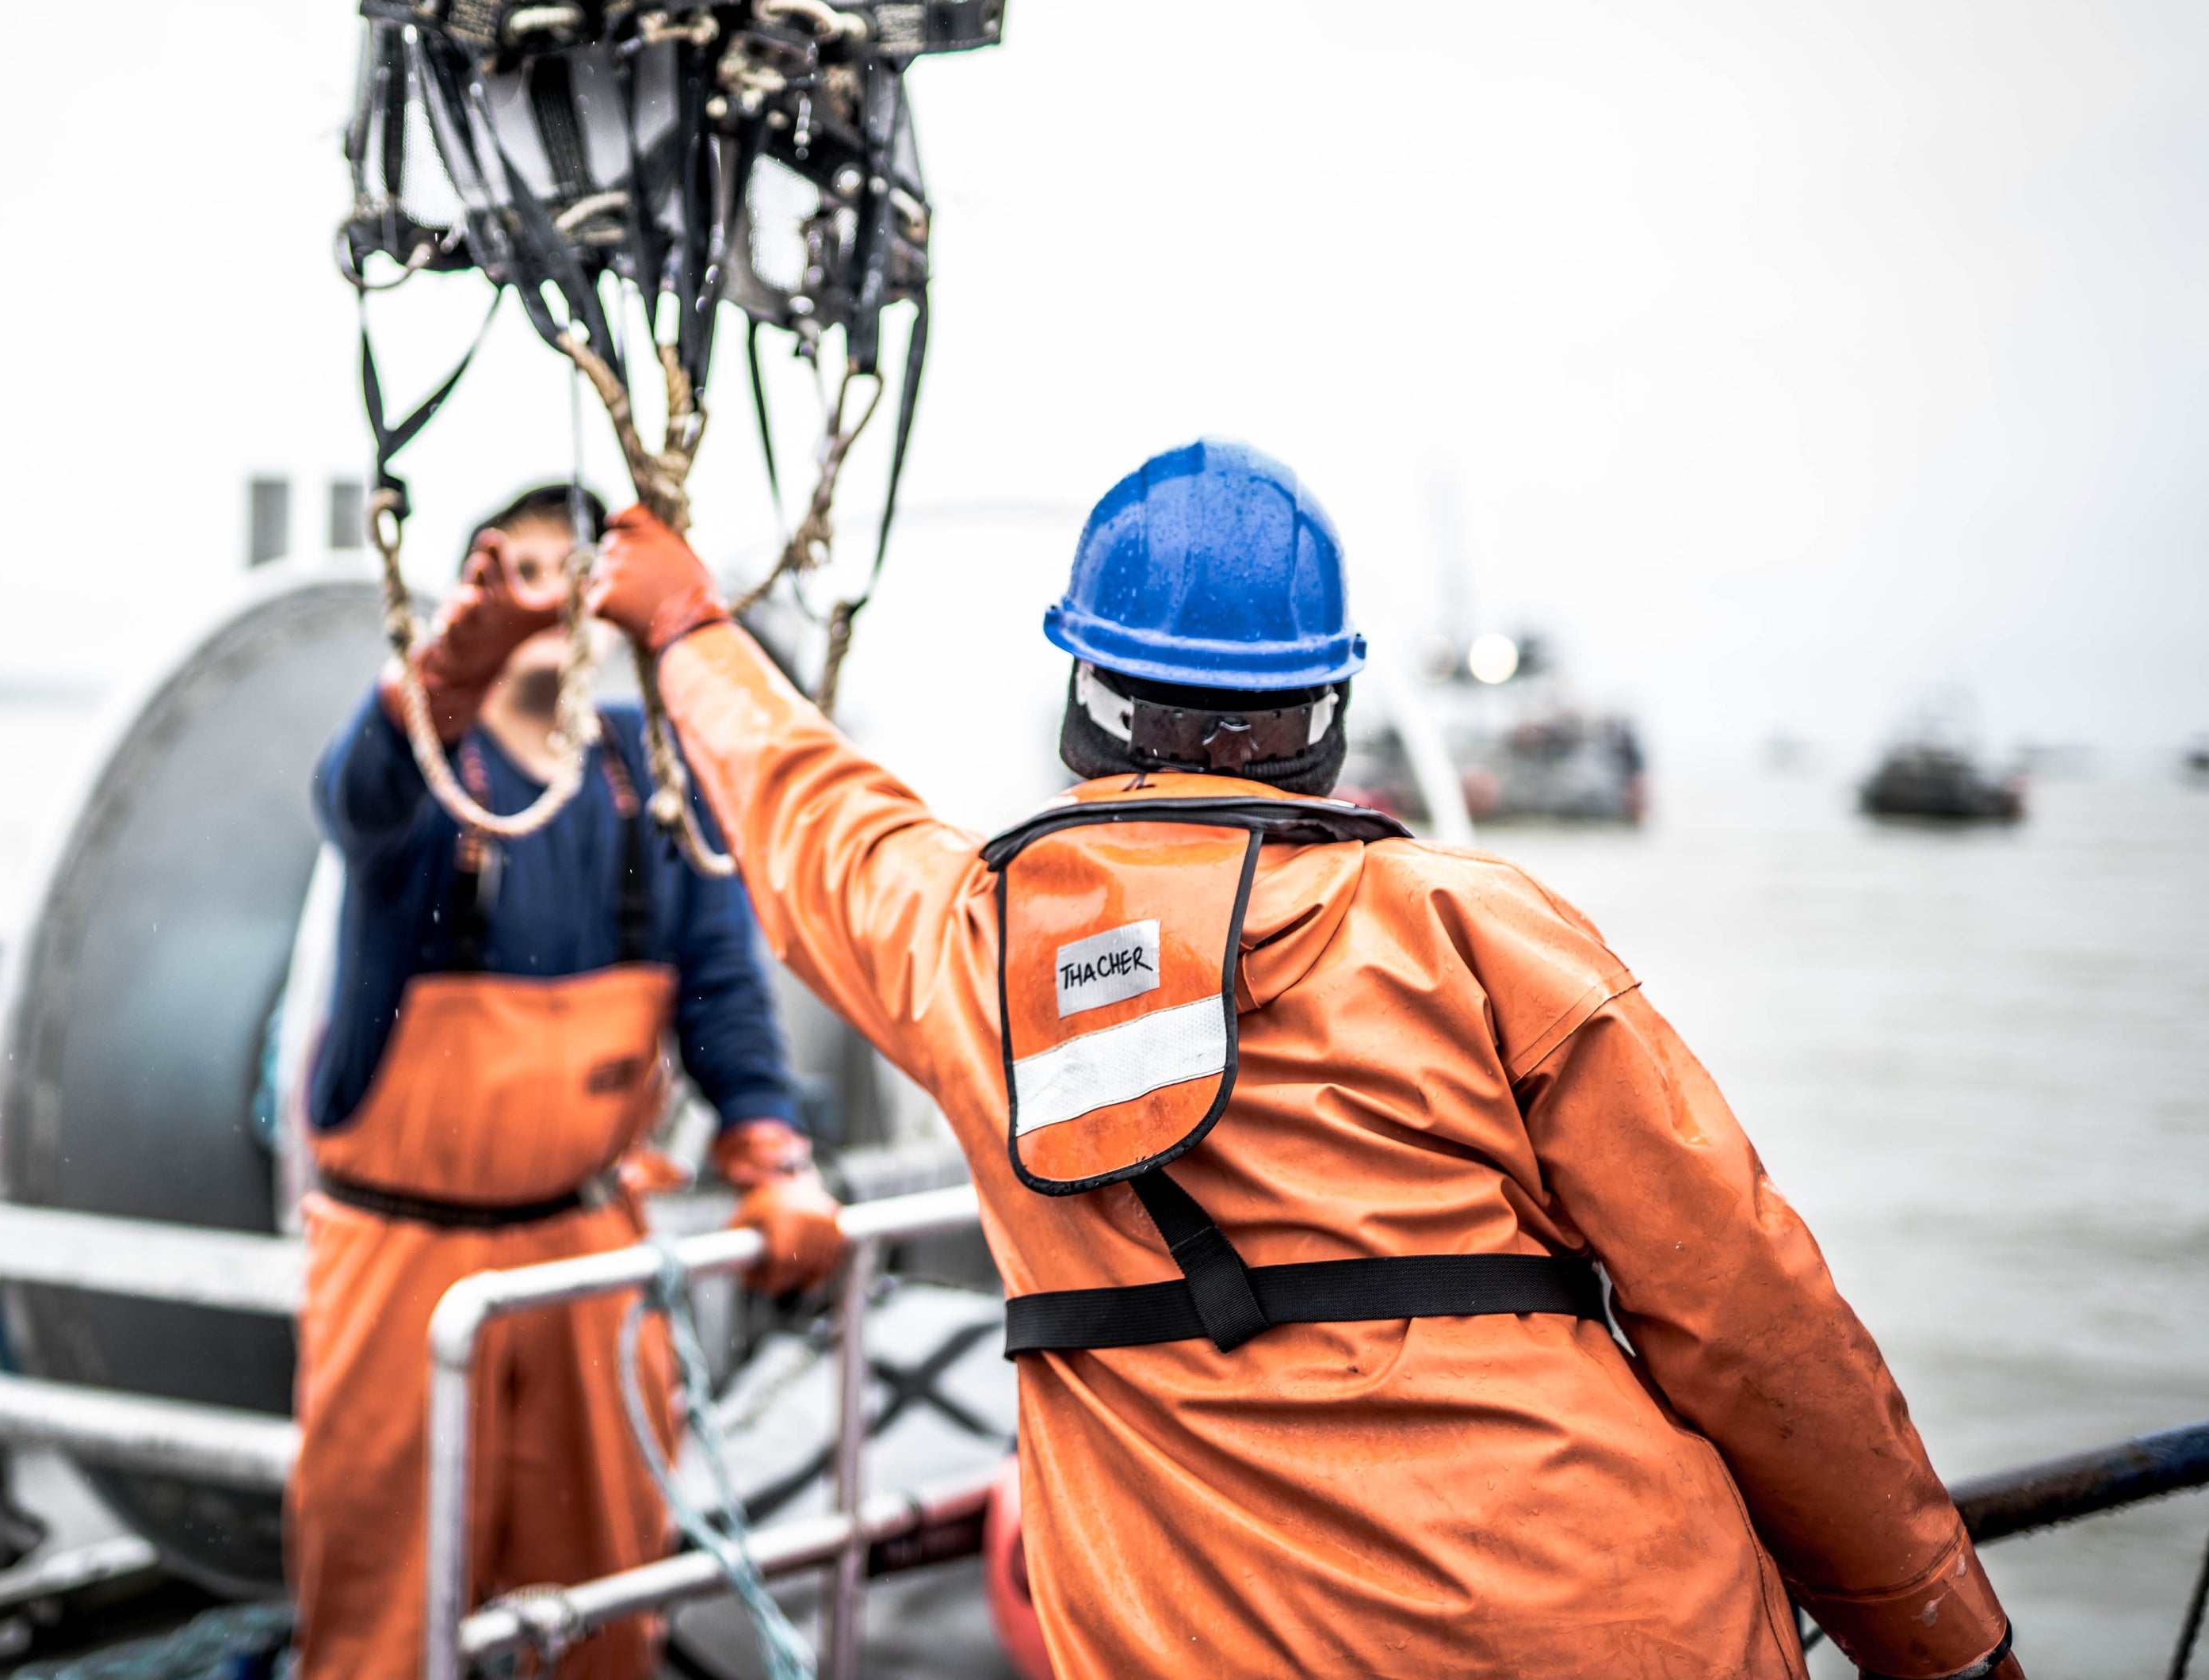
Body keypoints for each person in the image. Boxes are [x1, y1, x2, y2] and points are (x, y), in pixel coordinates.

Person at [585, 438, 2019, 1680]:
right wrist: (1941, 1636)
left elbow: (805, 807)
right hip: (1626, 1622)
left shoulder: (969, 951)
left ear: (1085, 701)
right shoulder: (1474, 927)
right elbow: (1759, 1324)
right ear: (1324, 718)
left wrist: (687, 624)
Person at [292, 483, 843, 1680]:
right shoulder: (424, 782)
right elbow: (354, 797)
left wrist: (770, 1150)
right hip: (405, 1270)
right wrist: (441, 674)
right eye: (521, 572)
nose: (550, 598)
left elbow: (719, 987)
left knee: (603, 1603)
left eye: (574, 572)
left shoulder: (650, 785)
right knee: (385, 1616)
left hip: (591, 1257)